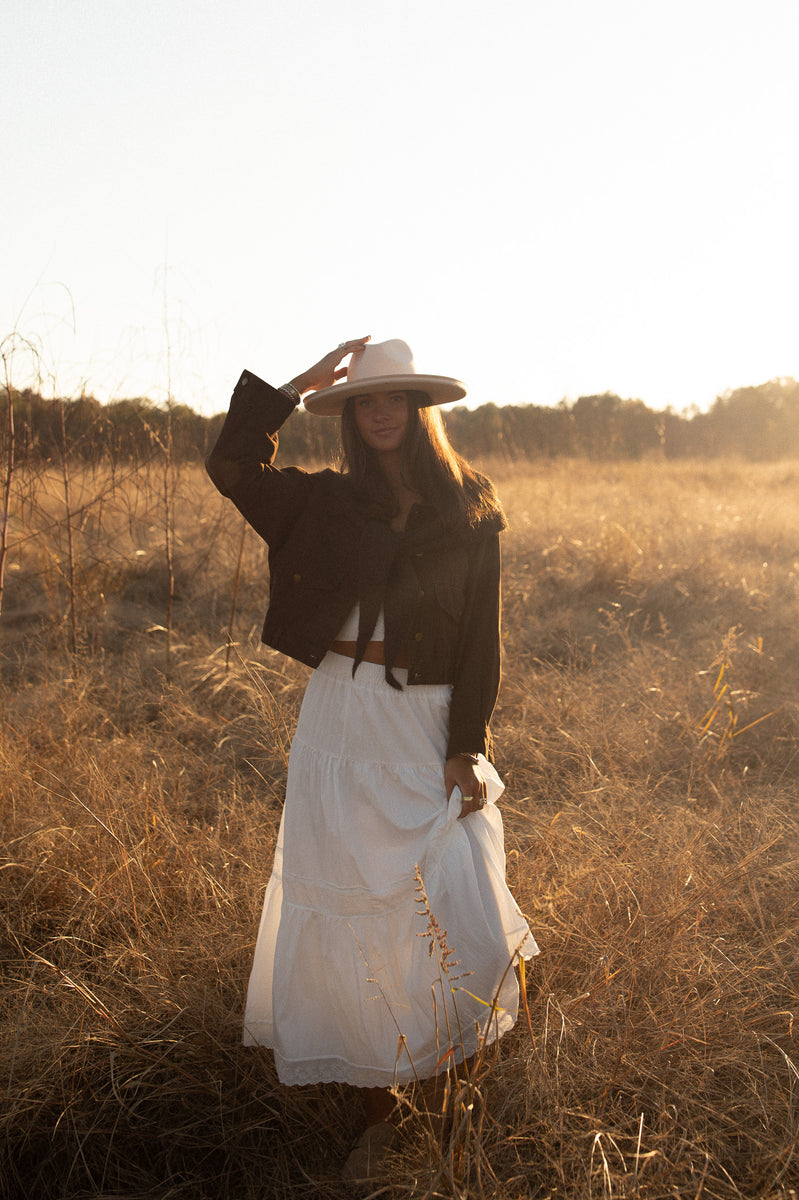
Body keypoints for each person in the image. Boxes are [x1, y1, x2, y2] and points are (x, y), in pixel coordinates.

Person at [206, 337, 538, 1182]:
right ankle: (381, 1118)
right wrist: (297, 386)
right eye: (364, 400)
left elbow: (481, 642)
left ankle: (456, 1093)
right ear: (351, 414)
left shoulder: (468, 505)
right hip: (339, 722)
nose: (379, 411)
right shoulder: (324, 503)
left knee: (451, 908)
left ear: (421, 409)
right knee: (354, 915)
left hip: (423, 725)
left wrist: (469, 744)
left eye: (394, 398)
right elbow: (233, 462)